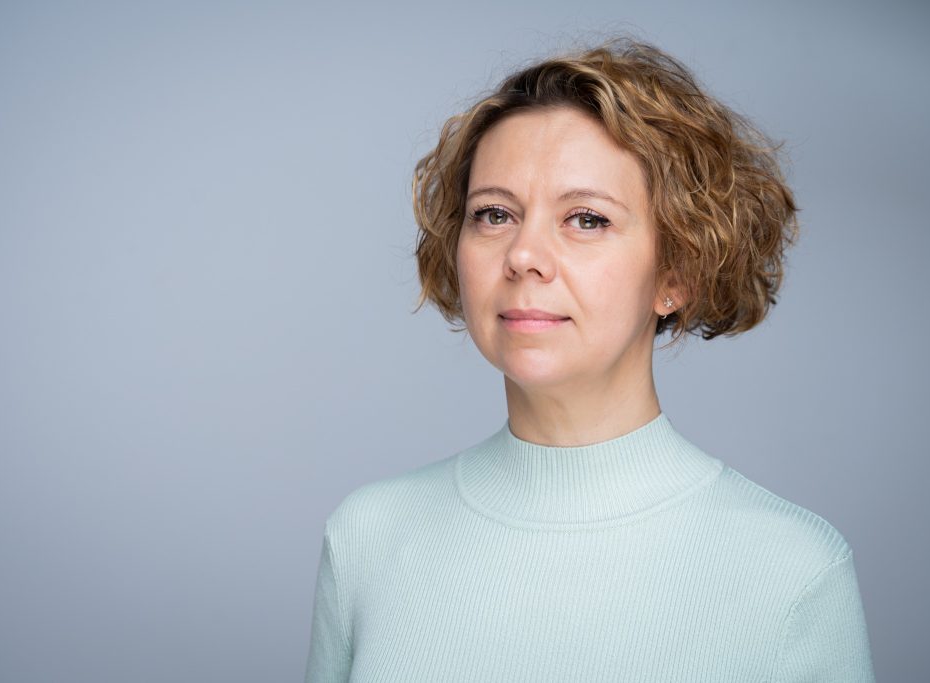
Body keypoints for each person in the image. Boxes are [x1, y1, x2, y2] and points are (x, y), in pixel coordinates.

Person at [304, 36, 875, 682]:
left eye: (586, 219)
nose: (523, 255)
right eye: (494, 214)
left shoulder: (792, 571)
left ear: (677, 272)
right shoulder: (368, 539)